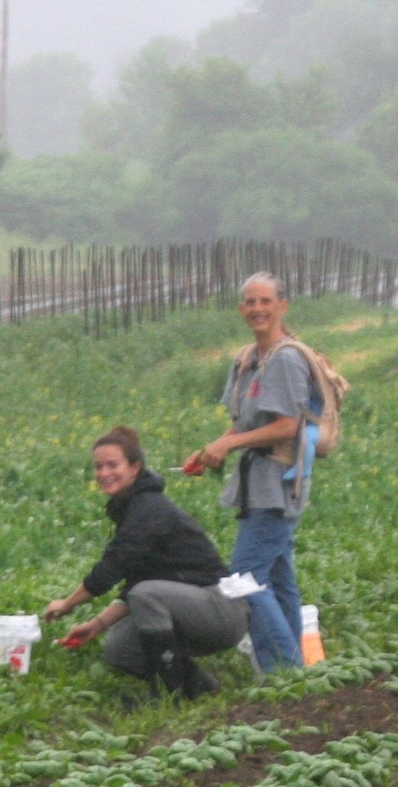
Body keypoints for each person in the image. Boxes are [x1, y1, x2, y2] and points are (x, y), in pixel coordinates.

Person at [43, 426, 241, 699]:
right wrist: (97, 625)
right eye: (98, 467)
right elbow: (137, 580)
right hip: (190, 604)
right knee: (118, 647)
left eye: (113, 465)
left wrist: (67, 604)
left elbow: (114, 567)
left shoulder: (149, 509)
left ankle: (168, 693)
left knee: (145, 594)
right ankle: (197, 687)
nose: (103, 473)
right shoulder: (131, 507)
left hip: (221, 610)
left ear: (135, 468)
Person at [185, 272, 315, 670]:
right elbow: (242, 424)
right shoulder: (247, 360)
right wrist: (215, 449)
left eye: (265, 301)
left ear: (283, 306)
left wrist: (230, 444)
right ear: (241, 309)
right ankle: (295, 671)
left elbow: (289, 425)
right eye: (250, 302)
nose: (258, 309)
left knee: (244, 579)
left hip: (279, 485)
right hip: (254, 484)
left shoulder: (288, 358)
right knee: (278, 581)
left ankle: (284, 670)